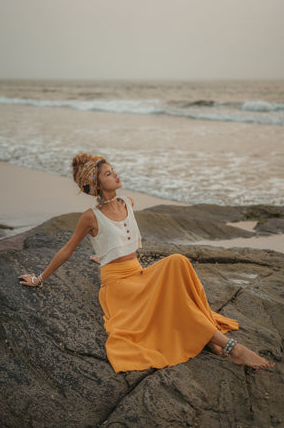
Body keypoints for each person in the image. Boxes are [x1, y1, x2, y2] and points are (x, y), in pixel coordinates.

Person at [19, 153, 274, 373]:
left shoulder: (128, 203)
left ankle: (205, 334)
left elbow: (119, 242)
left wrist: (103, 254)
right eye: (108, 174)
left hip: (138, 274)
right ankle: (232, 348)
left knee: (178, 261)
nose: (116, 175)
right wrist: (40, 278)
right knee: (174, 300)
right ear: (96, 184)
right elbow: (68, 249)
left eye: (113, 170)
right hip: (120, 287)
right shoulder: (90, 216)